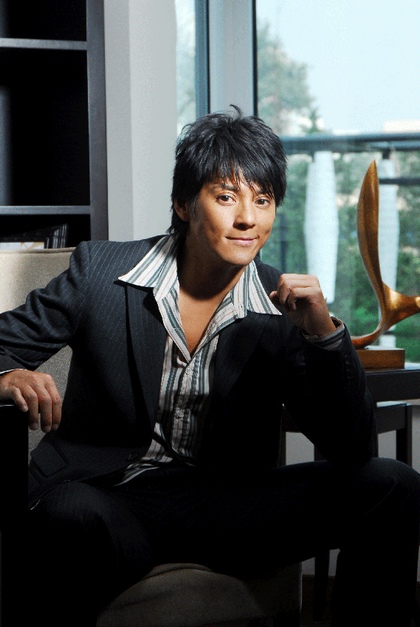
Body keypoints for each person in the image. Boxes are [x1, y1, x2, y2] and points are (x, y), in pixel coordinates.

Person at [0, 106, 419, 627]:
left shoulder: (284, 306)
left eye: (263, 200)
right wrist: (8, 375)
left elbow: (351, 449)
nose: (248, 219)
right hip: (116, 499)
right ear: (183, 204)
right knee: (67, 514)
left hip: (230, 507)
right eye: (226, 197)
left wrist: (324, 336)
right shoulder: (101, 272)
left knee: (395, 485)